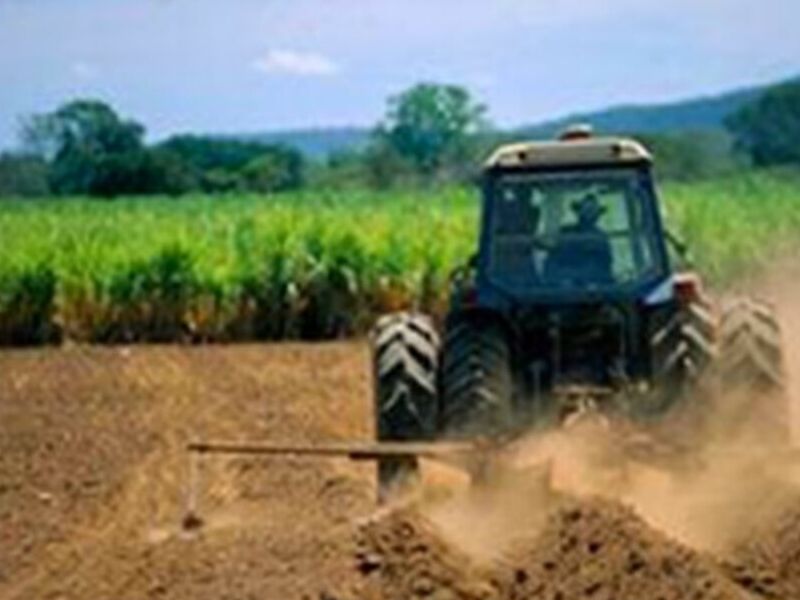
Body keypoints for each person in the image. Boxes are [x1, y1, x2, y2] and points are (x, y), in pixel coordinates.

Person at [544, 194, 613, 284]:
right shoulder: (566, 233)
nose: (588, 216)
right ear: (579, 213)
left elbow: (605, 267)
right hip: (565, 289)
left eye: (592, 212)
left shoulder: (601, 238)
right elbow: (553, 262)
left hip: (595, 288)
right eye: (585, 211)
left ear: (597, 216)